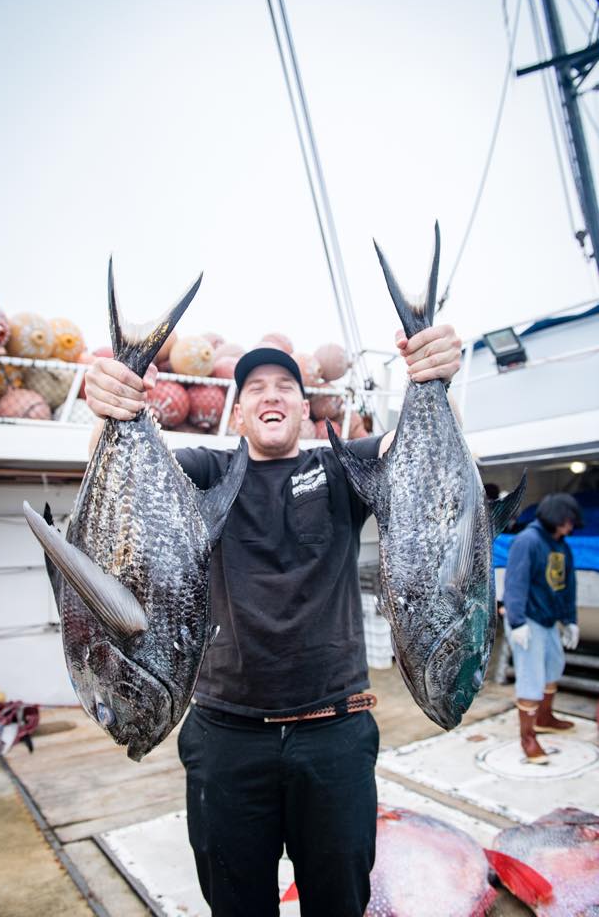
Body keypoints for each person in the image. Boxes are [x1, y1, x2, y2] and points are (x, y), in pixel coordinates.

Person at [85, 322, 462, 917]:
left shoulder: (340, 470)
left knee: (340, 902)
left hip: (335, 733)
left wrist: (437, 379)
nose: (270, 395)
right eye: (255, 387)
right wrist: (111, 407)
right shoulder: (205, 473)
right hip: (225, 737)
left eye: (284, 385)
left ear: (307, 412)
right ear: (238, 415)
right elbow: (119, 482)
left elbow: (415, 450)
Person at [503, 493, 583, 765]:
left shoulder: (561, 545)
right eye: (567, 522)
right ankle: (527, 737)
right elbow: (515, 583)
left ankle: (544, 717)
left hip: (548, 619)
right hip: (528, 618)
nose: (570, 528)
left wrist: (570, 619)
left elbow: (568, 585)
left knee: (553, 666)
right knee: (530, 677)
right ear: (556, 517)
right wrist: (517, 622)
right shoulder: (528, 541)